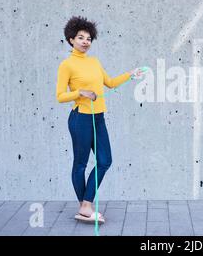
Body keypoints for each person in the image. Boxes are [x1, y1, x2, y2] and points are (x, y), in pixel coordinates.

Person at [56, 16, 142, 223]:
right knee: (80, 164)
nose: (85, 41)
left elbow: (110, 83)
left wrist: (130, 74)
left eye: (88, 38)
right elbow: (60, 96)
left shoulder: (94, 62)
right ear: (71, 40)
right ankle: (85, 206)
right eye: (80, 37)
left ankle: (86, 204)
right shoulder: (67, 65)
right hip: (80, 120)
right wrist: (80, 93)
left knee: (105, 161)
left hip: (98, 118)